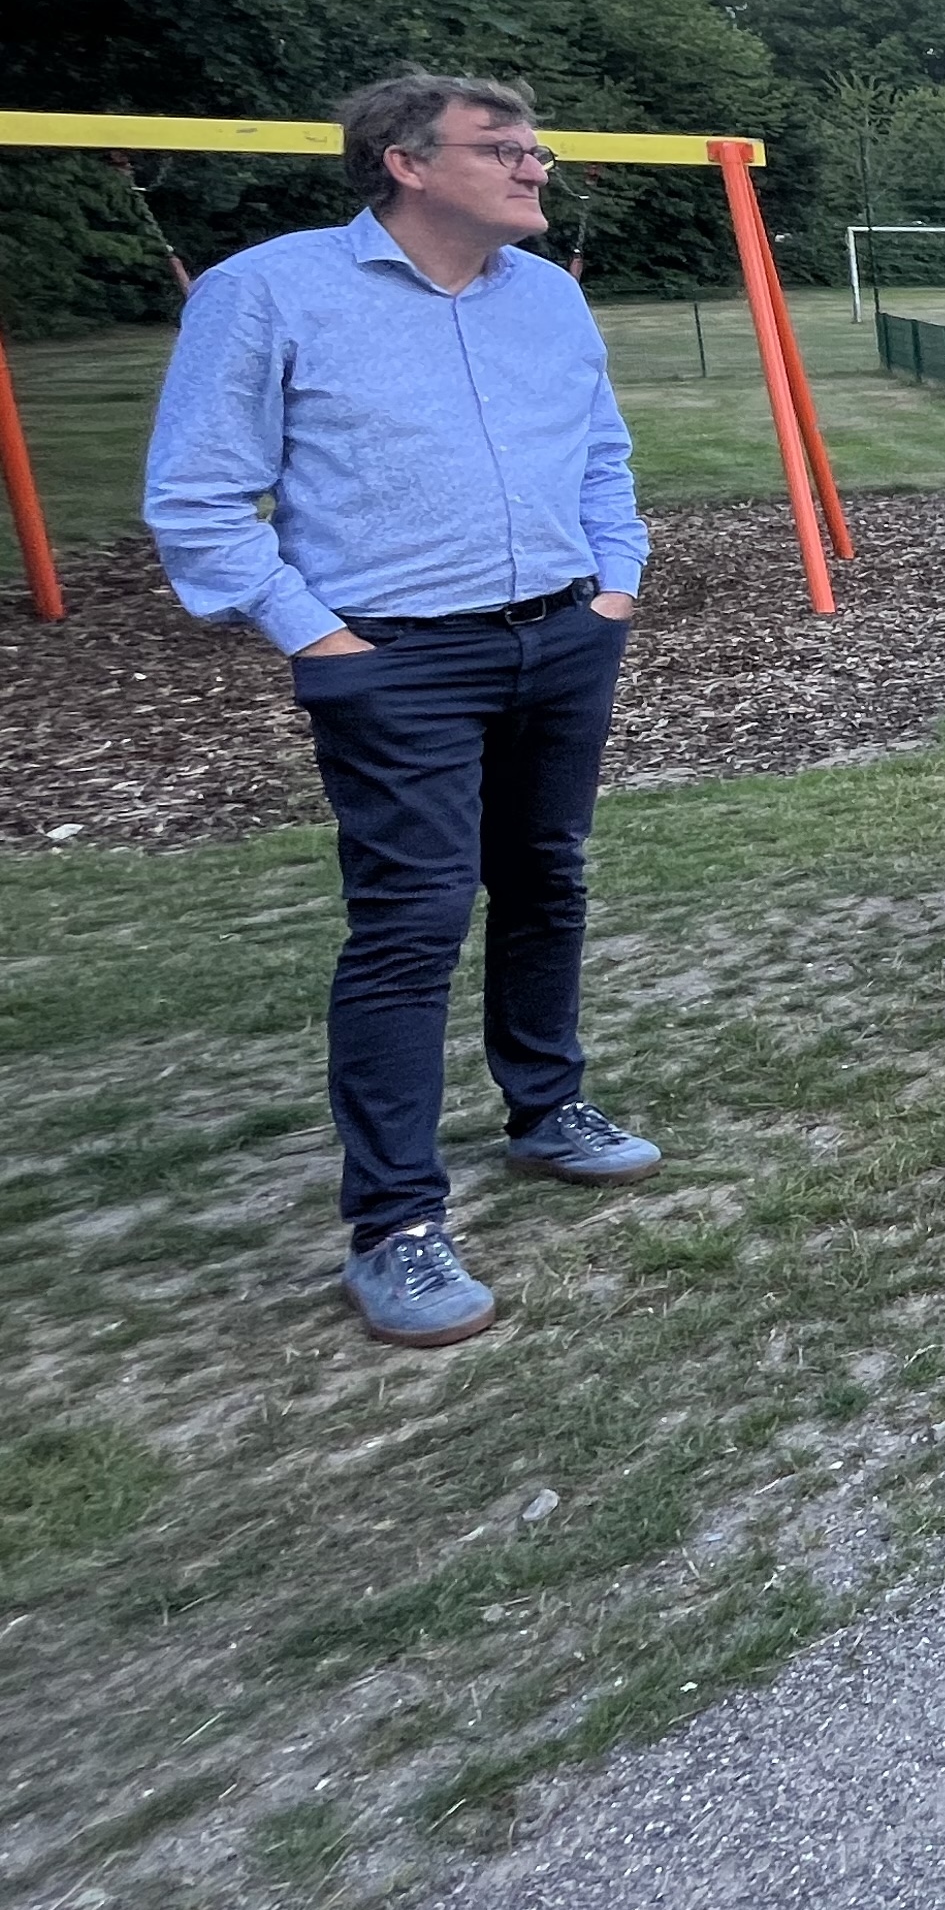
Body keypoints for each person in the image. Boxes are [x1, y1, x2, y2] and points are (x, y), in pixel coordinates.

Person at [144, 73, 666, 1351]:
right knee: (411, 924)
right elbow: (199, 496)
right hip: (395, 662)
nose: (536, 168)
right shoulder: (266, 292)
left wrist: (614, 583)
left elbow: (603, 452)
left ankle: (545, 1108)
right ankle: (395, 1222)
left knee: (547, 877)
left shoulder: (547, 296)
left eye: (536, 148)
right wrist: (316, 635)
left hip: (561, 635)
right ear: (404, 163)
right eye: (504, 149)